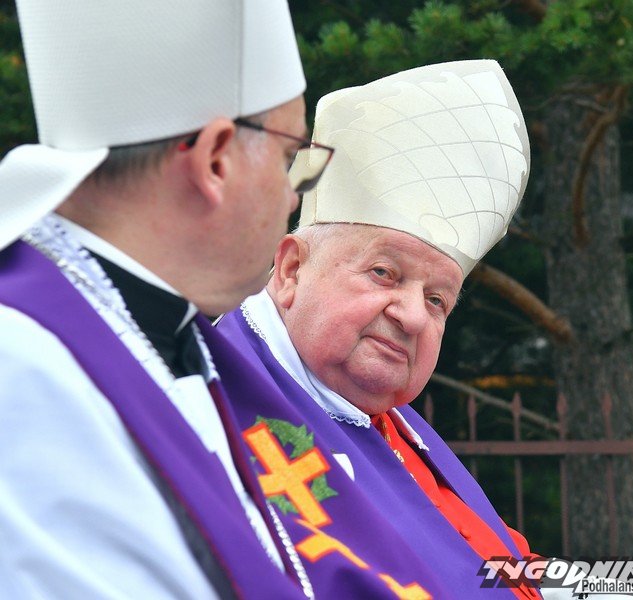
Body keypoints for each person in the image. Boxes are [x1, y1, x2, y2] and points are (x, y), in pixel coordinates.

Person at [0, 1, 333, 598]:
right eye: (291, 158)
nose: (293, 197)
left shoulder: (156, 330)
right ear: (215, 160)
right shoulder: (21, 364)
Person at [214, 60, 544, 599]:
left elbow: (500, 566)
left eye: (437, 300)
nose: (412, 315)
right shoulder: (212, 405)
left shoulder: (395, 427)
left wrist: (618, 587)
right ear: (292, 268)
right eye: (384, 273)